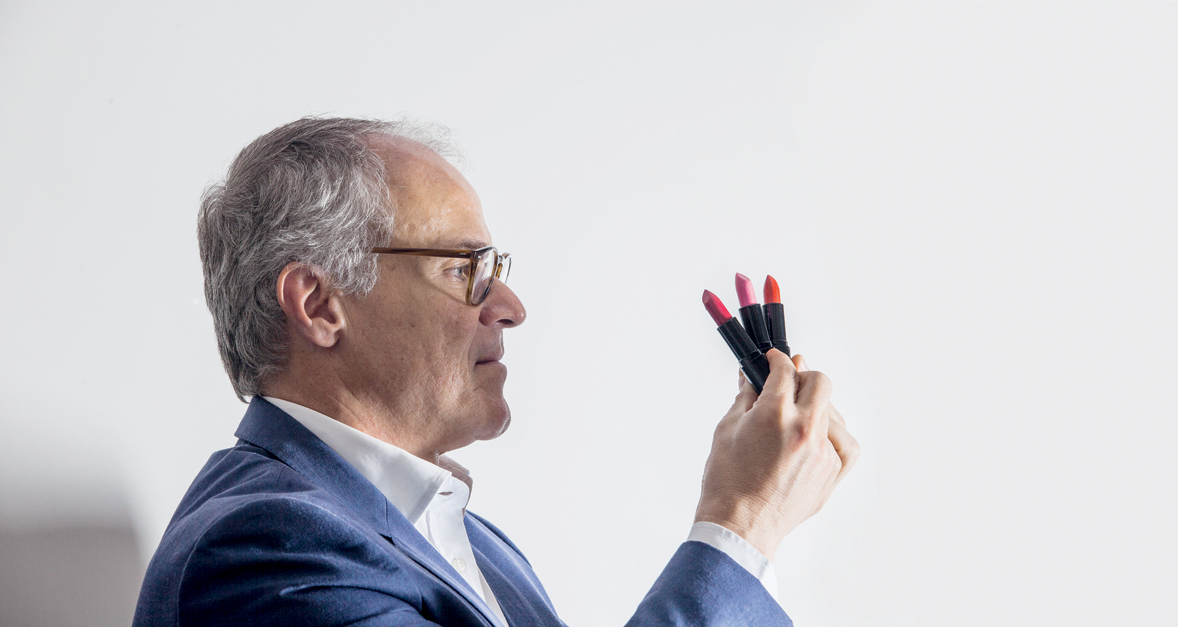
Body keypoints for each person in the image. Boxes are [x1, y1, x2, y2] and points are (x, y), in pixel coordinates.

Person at [133, 117, 859, 627]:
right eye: (463, 269)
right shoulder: (263, 550)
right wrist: (742, 526)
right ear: (320, 304)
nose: (509, 307)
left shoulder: (470, 542)